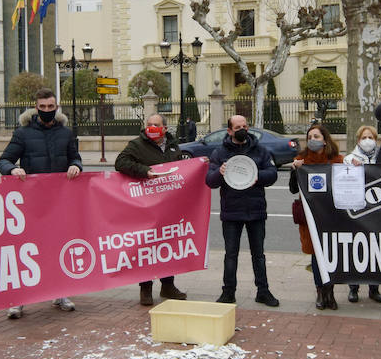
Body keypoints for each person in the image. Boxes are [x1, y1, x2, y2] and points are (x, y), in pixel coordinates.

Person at [0, 88, 82, 317]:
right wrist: (13, 169)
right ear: (36, 108)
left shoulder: (66, 133)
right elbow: (4, 160)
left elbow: (75, 157)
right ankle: (19, 298)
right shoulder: (23, 133)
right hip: (31, 204)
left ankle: (60, 292)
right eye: (42, 107)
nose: (47, 111)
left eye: (50, 107)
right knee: (26, 251)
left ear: (56, 107)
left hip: (58, 203)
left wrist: (76, 165)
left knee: (58, 248)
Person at [115, 112, 189, 306]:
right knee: (147, 246)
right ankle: (145, 289)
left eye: (156, 125)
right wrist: (144, 171)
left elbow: (180, 167)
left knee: (168, 244)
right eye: (149, 124)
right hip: (146, 204)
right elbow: (120, 163)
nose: (151, 128)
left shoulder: (173, 145)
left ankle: (168, 285)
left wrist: (197, 165)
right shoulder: (136, 145)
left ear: (164, 128)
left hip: (169, 203)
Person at [205, 115, 280, 307]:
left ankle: (263, 291)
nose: (243, 129)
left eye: (245, 125)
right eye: (238, 126)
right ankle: (228, 292)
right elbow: (209, 181)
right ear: (229, 131)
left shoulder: (260, 150)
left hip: (256, 210)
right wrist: (219, 173)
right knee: (231, 254)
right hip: (232, 211)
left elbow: (272, 174)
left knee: (259, 255)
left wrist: (257, 176)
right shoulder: (219, 152)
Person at [289, 123, 345, 310]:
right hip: (310, 216)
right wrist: (294, 170)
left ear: (325, 140)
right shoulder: (302, 159)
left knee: (331, 253)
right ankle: (320, 291)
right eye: (310, 137)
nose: (313, 140)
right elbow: (293, 189)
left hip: (331, 215)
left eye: (316, 137)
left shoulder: (336, 160)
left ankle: (330, 291)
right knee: (315, 254)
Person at [343, 125, 381, 304]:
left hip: (378, 211)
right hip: (358, 212)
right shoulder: (349, 159)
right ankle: (354, 287)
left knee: (376, 250)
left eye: (371, 137)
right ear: (358, 140)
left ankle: (374, 288)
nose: (368, 140)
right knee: (356, 250)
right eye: (364, 137)